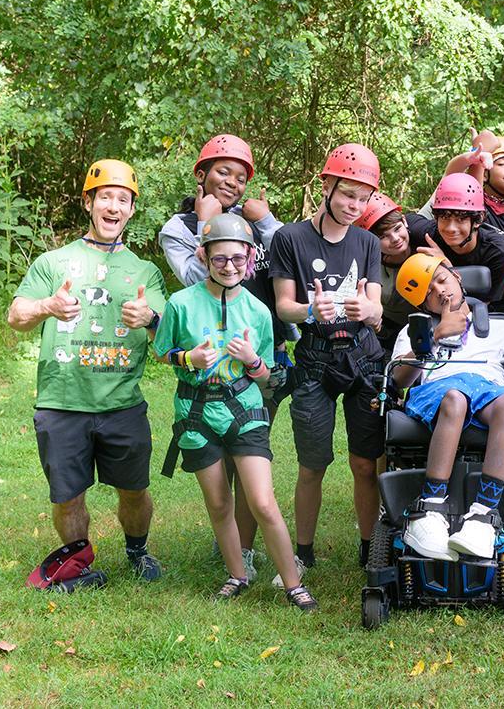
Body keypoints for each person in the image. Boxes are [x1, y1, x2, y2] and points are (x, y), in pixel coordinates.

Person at [7, 159, 165, 586]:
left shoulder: (144, 271)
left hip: (122, 403)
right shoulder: (53, 262)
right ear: (89, 203)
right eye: (106, 197)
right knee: (68, 497)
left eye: (123, 199)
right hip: (62, 402)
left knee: (133, 490)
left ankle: (137, 551)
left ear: (132, 210)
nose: (114, 206)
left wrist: (149, 318)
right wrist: (46, 306)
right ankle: (80, 562)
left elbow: (167, 340)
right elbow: (16, 315)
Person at [153, 213, 316, 609]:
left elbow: (268, 377)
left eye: (238, 259)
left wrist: (253, 362)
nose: (229, 267)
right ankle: (237, 574)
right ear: (203, 257)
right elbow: (162, 354)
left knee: (262, 501)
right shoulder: (181, 304)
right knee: (219, 502)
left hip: (243, 407)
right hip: (195, 411)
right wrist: (188, 357)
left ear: (250, 258)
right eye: (220, 259)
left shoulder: (259, 312)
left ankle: (293, 583)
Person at [157, 134, 294, 582]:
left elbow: (288, 258)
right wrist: (204, 226)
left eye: (241, 176)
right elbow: (198, 279)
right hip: (207, 366)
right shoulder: (178, 228)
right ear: (201, 174)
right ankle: (234, 553)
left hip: (256, 357)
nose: (232, 183)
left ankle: (247, 549)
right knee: (220, 461)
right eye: (222, 172)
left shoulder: (252, 225)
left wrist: (268, 220)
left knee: (250, 457)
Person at [268, 143, 386, 582]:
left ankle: (369, 548)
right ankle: (303, 552)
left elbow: (375, 309)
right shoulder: (290, 239)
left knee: (364, 463)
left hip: (361, 361)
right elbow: (284, 306)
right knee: (312, 464)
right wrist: (310, 311)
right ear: (327, 186)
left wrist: (366, 311)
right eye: (347, 195)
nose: (354, 205)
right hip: (315, 360)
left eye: (363, 197)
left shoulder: (368, 242)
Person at [390, 254, 504, 560]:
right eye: (428, 292)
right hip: (437, 393)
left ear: (456, 276)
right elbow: (399, 379)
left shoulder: (501, 328)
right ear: (423, 305)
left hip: (488, 390)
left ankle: (483, 514)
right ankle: (431, 507)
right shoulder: (416, 331)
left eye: (441, 280)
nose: (439, 291)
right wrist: (434, 335)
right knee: (456, 397)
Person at [408, 172, 504, 311]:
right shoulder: (431, 234)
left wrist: (448, 268)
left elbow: (486, 308)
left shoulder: (501, 253)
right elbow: (408, 220)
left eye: (461, 219)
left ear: (477, 220)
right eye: (444, 218)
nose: (451, 228)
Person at [355, 191, 426, 355]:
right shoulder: (367, 265)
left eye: (397, 229)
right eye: (383, 236)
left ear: (404, 222)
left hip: (429, 325)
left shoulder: (425, 244)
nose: (394, 238)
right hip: (390, 334)